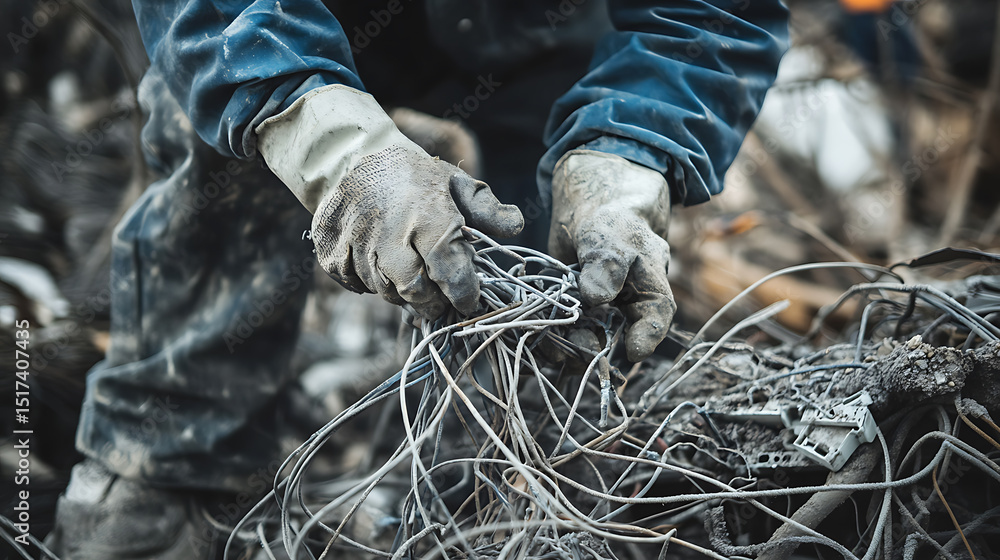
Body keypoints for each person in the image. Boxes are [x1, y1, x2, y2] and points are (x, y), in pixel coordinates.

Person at [46, 1, 789, 557]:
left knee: (538, 292)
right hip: (281, 22)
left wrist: (626, 156)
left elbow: (713, 13)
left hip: (530, 30)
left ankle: (502, 501)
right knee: (221, 135)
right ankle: (158, 479)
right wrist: (333, 142)